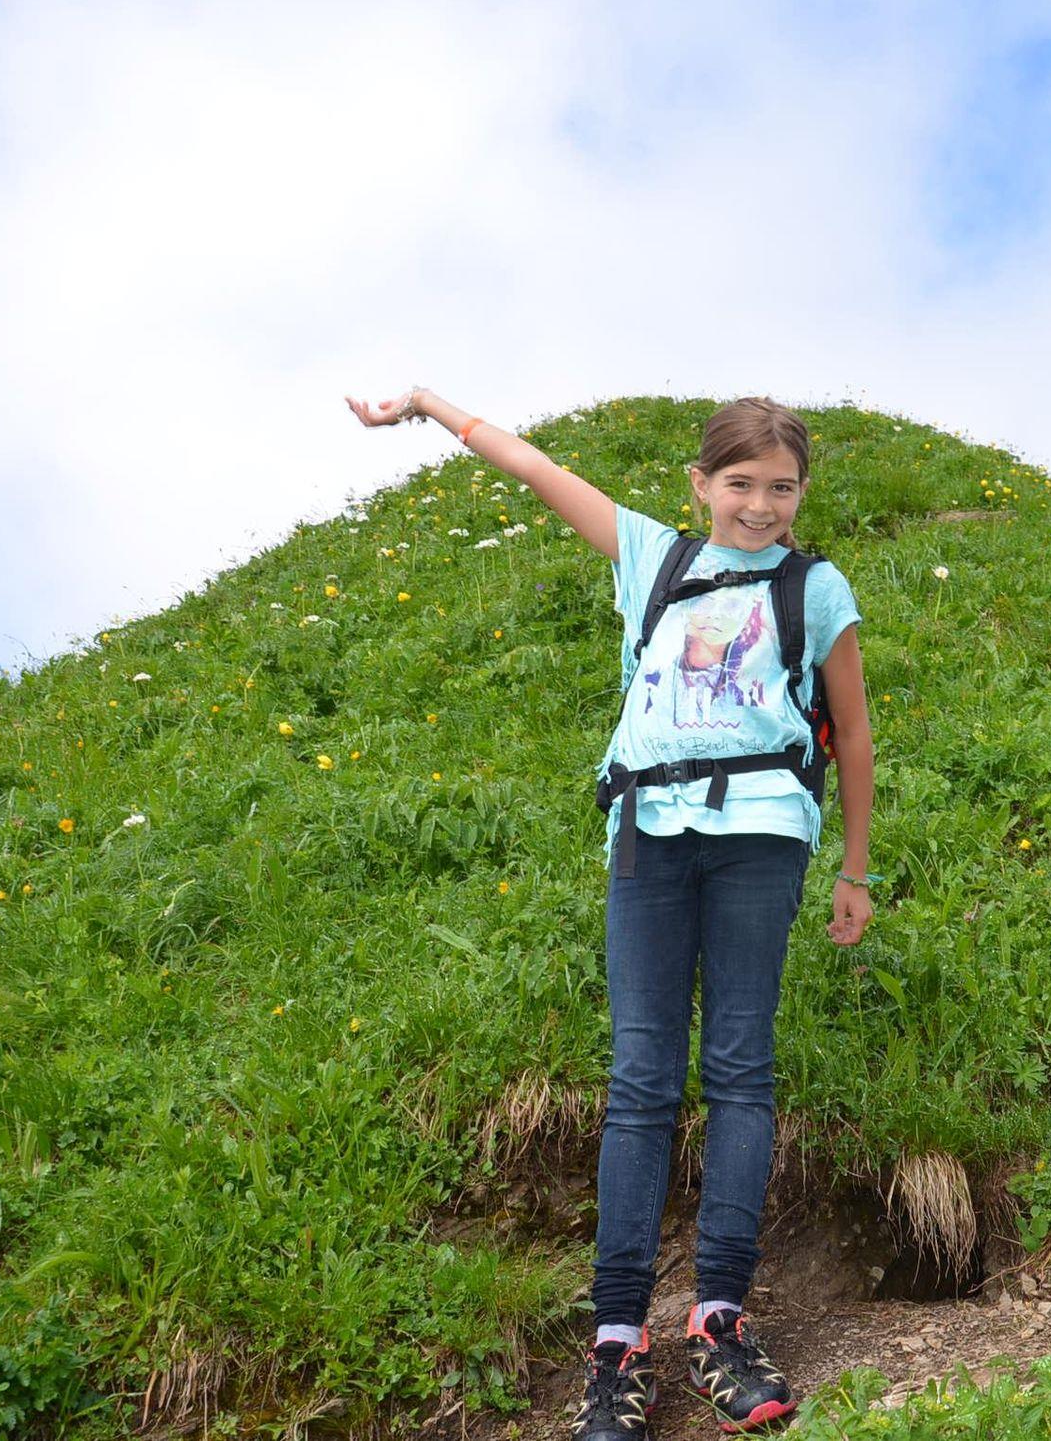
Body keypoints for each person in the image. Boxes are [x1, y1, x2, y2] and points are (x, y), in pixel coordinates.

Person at [348, 387, 875, 1436]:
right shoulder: (653, 556)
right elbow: (536, 469)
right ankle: (617, 1342)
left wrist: (854, 867)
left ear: (802, 491)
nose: (759, 505)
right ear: (699, 483)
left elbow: (853, 733)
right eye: (739, 484)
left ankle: (719, 1320)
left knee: (739, 1067)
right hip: (647, 833)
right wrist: (427, 407)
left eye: (780, 488)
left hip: (763, 834)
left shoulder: (816, 587)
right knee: (640, 1077)